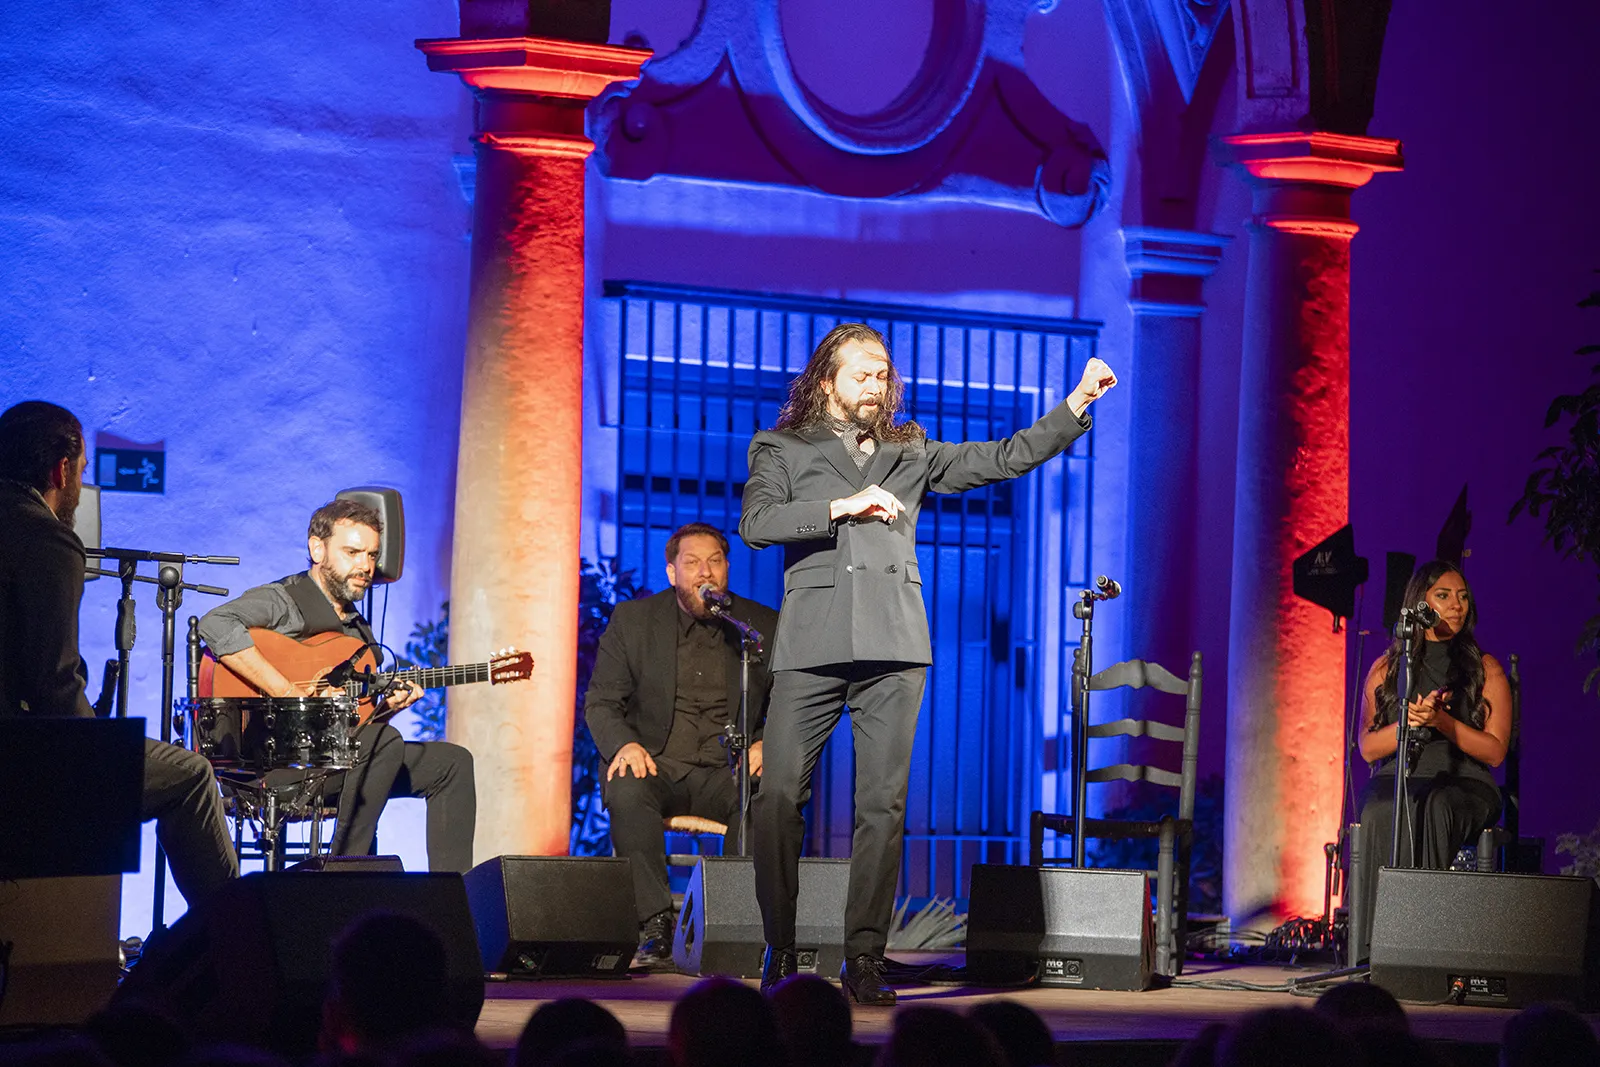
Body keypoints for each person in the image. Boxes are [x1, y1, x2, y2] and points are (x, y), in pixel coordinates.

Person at [739, 322, 1116, 1002]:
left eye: (883, 372)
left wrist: (1075, 404)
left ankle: (865, 959)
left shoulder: (908, 448)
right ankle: (780, 941)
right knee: (776, 797)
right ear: (827, 380)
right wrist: (841, 504)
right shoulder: (782, 446)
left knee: (881, 806)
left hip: (895, 645)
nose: (876, 382)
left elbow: (1002, 456)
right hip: (812, 646)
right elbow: (757, 523)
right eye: (862, 372)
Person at [0, 400, 237, 904]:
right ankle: (234, 946)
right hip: (20, 756)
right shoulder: (45, 538)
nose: (80, 492)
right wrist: (99, 753)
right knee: (192, 776)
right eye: (82, 471)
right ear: (61, 470)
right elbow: (54, 685)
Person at [198, 499, 476, 872]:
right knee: (383, 742)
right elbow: (214, 624)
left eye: (372, 555)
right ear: (317, 548)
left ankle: (453, 901)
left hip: (332, 763)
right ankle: (345, 870)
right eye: (352, 552)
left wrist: (387, 706)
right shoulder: (284, 601)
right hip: (269, 766)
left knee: (452, 762)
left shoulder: (358, 631)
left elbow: (354, 727)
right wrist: (289, 692)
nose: (365, 565)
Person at [583, 522, 780, 964]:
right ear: (673, 572)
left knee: (767, 795)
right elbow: (601, 703)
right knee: (627, 786)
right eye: (692, 563)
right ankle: (654, 923)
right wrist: (624, 746)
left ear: (727, 569)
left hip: (726, 770)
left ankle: (732, 923)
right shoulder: (634, 621)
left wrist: (768, 742)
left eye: (714, 562)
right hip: (657, 764)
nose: (704, 573)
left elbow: (789, 702)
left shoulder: (759, 626)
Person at [1351, 560, 1509, 963]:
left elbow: (1495, 751)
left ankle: (1424, 946)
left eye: (1462, 597)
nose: (1456, 606)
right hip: (1400, 774)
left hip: (1465, 780)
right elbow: (1368, 748)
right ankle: (1375, 950)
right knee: (1379, 809)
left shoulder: (1485, 668)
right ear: (1418, 604)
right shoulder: (1388, 668)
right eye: (1443, 596)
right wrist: (1408, 720)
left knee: (1435, 805)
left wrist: (1442, 721)